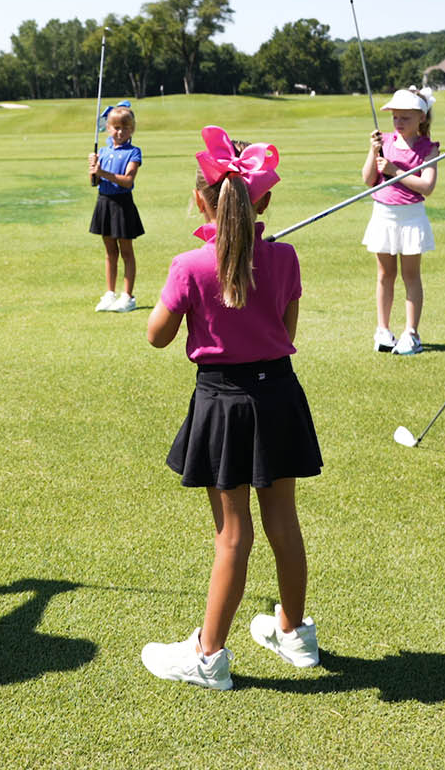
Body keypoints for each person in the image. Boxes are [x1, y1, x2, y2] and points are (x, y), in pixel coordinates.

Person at [140, 126, 322, 690]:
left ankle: (208, 655)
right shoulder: (285, 257)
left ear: (201, 199)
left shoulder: (189, 265)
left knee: (232, 535)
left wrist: (189, 285)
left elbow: (157, 337)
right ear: (262, 200)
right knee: (283, 524)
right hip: (279, 394)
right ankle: (293, 633)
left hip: (224, 403)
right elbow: (285, 331)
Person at [360, 87, 440, 355]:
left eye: (405, 117)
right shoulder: (383, 141)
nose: (399, 122)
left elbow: (426, 186)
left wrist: (396, 170)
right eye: (395, 117)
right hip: (383, 214)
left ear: (421, 118)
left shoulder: (429, 149)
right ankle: (383, 330)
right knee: (385, 274)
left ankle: (411, 333)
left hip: (411, 217)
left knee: (410, 276)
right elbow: (368, 179)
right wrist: (374, 153)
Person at [88, 101, 143, 312]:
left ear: (132, 130)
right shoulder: (102, 150)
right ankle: (110, 294)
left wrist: (102, 172)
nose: (120, 132)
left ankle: (127, 296)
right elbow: (94, 183)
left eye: (125, 128)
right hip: (104, 202)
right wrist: (93, 170)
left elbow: (128, 180)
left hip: (122, 204)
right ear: (108, 128)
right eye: (116, 127)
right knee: (110, 252)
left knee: (126, 251)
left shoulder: (134, 152)